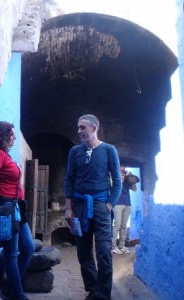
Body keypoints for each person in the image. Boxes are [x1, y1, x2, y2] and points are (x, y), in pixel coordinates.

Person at [64, 114, 122, 300]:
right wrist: (68, 207)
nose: (79, 131)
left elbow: (117, 181)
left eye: (83, 127)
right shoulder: (75, 151)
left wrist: (109, 204)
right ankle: (93, 289)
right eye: (78, 127)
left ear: (94, 128)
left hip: (101, 206)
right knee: (83, 250)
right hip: (79, 206)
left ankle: (104, 295)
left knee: (104, 251)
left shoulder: (108, 150)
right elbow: (69, 179)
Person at [0, 121, 35, 300]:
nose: (13, 138)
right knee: (12, 253)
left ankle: (10, 290)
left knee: (28, 247)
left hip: (17, 207)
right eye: (11, 135)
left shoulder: (6, 155)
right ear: (2, 136)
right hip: (5, 207)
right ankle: (18, 295)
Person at [111, 166, 139, 255]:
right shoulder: (114, 177)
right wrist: (121, 177)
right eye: (121, 170)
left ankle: (121, 246)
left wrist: (132, 178)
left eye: (124, 170)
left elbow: (135, 189)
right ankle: (113, 246)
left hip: (127, 204)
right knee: (117, 225)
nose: (123, 171)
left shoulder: (127, 180)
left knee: (124, 226)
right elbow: (116, 185)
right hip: (117, 204)